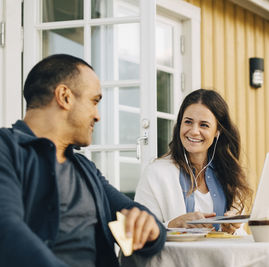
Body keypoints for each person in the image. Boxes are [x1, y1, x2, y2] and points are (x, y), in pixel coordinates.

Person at [0, 54, 166, 267]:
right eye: (94, 101)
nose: (97, 116)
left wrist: (150, 228)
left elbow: (136, 213)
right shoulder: (7, 149)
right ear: (64, 96)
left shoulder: (84, 169)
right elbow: (6, 229)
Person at [134, 89, 252, 233]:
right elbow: (139, 232)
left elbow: (238, 235)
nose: (194, 131)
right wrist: (173, 225)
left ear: (217, 131)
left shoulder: (228, 174)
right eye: (188, 122)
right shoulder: (155, 173)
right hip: (176, 256)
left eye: (204, 125)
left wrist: (231, 228)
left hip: (220, 255)